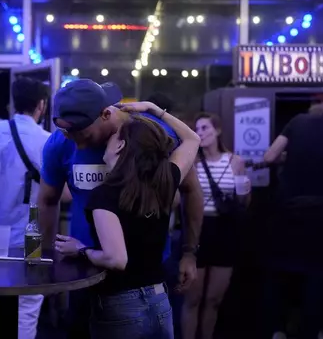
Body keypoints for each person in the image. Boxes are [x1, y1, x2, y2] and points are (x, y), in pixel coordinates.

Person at [38, 79, 203, 338]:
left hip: (145, 277)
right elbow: (46, 200)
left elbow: (192, 190)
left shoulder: (154, 134)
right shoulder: (60, 143)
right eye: (67, 133)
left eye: (83, 134)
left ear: (105, 114)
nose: (77, 143)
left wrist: (190, 252)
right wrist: (43, 258)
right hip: (82, 274)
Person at [262, 81, 323, 339]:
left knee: (280, 274)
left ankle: (277, 330)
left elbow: (270, 157)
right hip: (322, 222)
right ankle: (311, 331)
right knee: (316, 280)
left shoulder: (298, 122)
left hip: (286, 214)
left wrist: (293, 158)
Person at [0, 78, 50, 339]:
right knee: (27, 307)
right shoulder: (47, 141)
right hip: (30, 237)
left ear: (13, 102)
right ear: (42, 105)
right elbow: (62, 193)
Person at [182, 112, 251, 339]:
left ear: (218, 130)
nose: (201, 133)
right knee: (193, 298)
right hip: (199, 229)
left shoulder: (235, 161)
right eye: (198, 129)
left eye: (205, 128)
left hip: (225, 231)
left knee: (213, 299)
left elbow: (243, 203)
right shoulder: (193, 163)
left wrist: (245, 191)